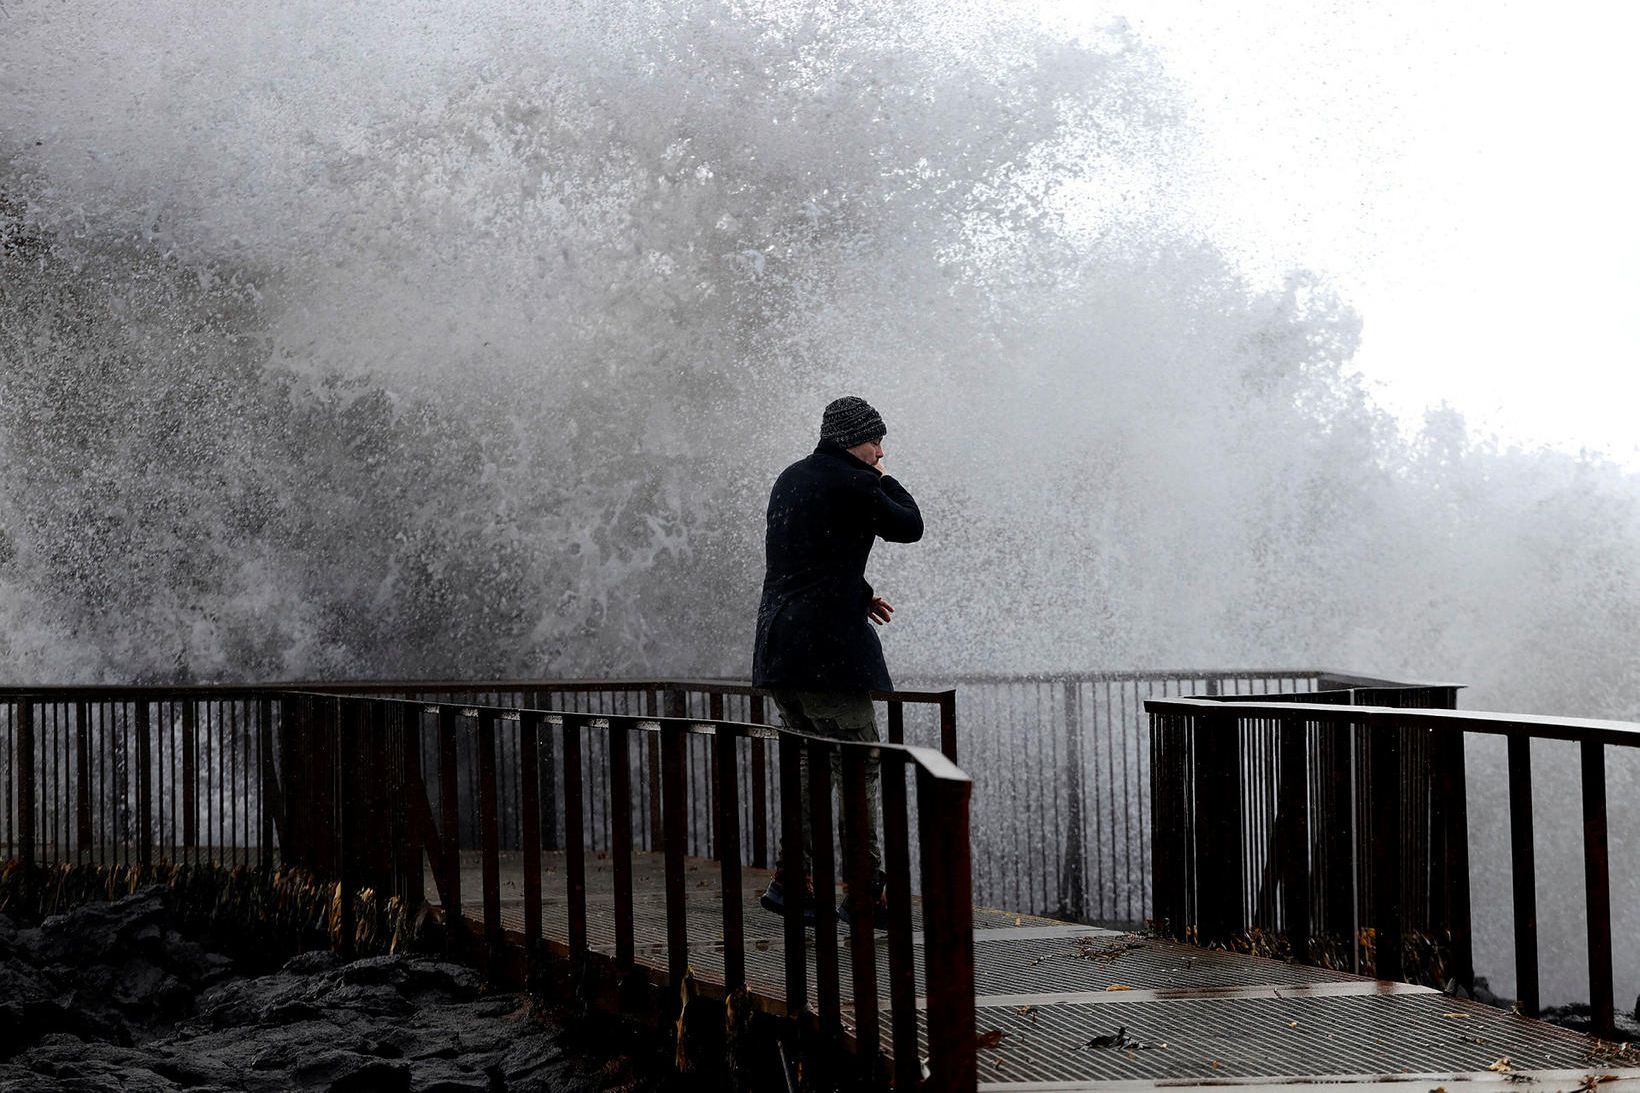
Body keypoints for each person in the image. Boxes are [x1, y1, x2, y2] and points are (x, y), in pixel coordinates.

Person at [752, 395, 923, 925]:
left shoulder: (792, 478)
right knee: (858, 765)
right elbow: (910, 524)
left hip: (780, 647)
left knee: (809, 763)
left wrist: (858, 593)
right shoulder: (853, 480)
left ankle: (792, 882)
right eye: (876, 441)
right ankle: (865, 893)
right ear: (856, 440)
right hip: (826, 656)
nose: (881, 450)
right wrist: (882, 476)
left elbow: (810, 559)